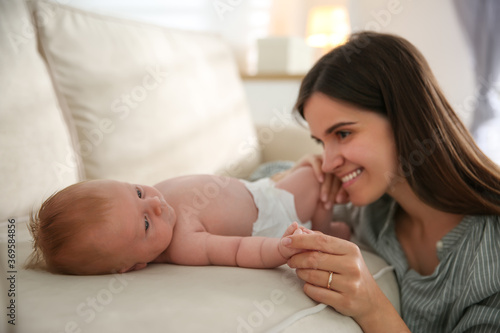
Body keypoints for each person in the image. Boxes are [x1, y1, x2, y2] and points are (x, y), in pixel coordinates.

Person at [278, 31, 500, 333]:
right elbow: (252, 189)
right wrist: (299, 174)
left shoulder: (491, 251)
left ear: (404, 117)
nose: (329, 162)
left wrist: (373, 309)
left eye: (343, 134)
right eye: (321, 142)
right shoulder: (370, 212)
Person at [26, 165, 339, 275]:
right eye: (146, 223)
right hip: (271, 209)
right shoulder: (184, 244)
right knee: (317, 176)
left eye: (136, 192)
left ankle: (333, 223)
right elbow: (240, 249)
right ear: (133, 265)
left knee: (311, 172)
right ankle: (326, 230)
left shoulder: (156, 200)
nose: (155, 203)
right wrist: (281, 248)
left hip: (259, 185)